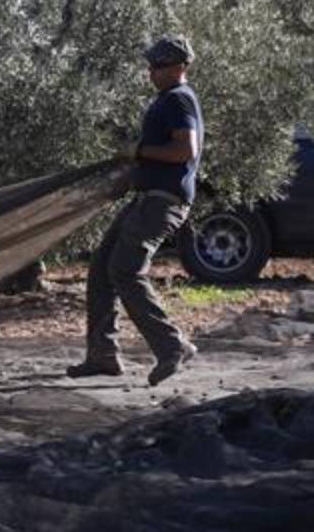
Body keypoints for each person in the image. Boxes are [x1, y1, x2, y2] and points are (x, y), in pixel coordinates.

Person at [67, 34, 203, 387]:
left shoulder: (178, 99)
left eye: (158, 65)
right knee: (101, 269)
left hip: (163, 202)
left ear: (181, 67)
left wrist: (139, 151)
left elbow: (184, 151)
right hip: (147, 199)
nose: (151, 71)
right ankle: (103, 355)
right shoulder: (166, 99)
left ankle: (172, 346)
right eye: (150, 64)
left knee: (125, 270)